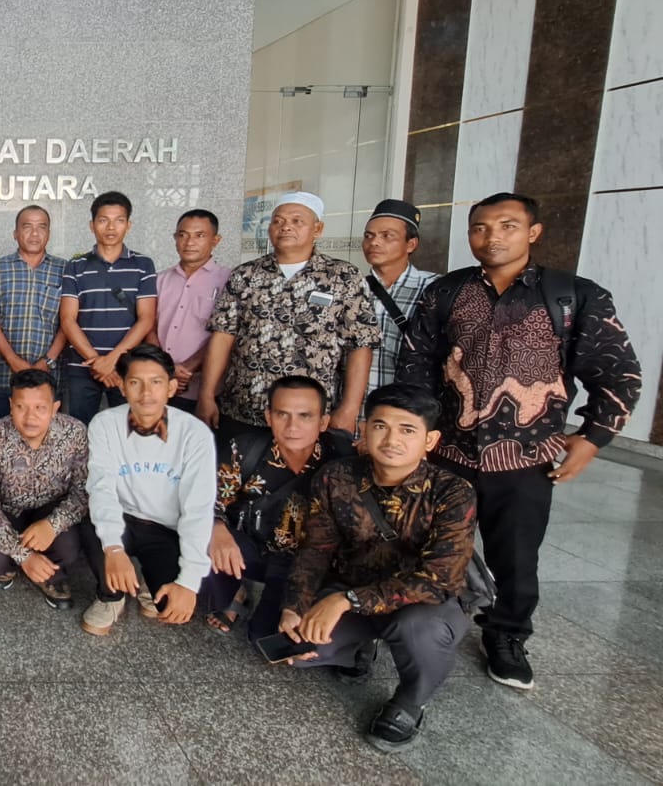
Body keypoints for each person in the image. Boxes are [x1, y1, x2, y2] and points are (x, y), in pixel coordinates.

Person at [398, 192, 641, 690]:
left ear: (533, 232)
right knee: (427, 541)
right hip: (449, 452)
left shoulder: (572, 295)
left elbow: (619, 373)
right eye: (480, 227)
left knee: (515, 553)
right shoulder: (445, 293)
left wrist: (591, 438)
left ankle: (507, 634)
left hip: (527, 456)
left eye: (506, 226)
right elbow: (416, 366)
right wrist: (413, 435)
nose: (491, 237)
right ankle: (415, 620)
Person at [279, 384, 477, 753]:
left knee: (417, 630)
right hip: (354, 589)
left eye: (407, 430)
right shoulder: (336, 477)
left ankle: (409, 702)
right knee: (299, 650)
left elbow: (438, 579)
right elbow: (315, 550)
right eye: (380, 425)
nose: (391, 439)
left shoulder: (452, 492)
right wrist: (296, 604)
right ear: (364, 428)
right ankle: (361, 647)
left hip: (422, 605)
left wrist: (346, 601)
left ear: (430, 440)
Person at [197, 191, 379, 447]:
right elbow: (222, 337)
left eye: (297, 221)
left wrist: (349, 410)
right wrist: (206, 395)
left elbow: (360, 346)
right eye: (278, 221)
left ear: (318, 229)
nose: (285, 227)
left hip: (311, 419)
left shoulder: (344, 277)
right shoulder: (245, 275)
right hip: (244, 410)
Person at [200, 375, 353, 642]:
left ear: (324, 421)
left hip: (302, 566)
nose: (293, 426)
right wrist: (216, 527)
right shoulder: (244, 449)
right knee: (198, 534)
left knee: (266, 637)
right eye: (283, 414)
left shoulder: (343, 461)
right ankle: (234, 591)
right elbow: (206, 499)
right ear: (269, 416)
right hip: (249, 549)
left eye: (305, 416)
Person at [81, 345, 216, 635]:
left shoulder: (195, 435)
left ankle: (144, 578)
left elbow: (198, 508)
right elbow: (102, 487)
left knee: (171, 602)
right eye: (135, 382)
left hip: (166, 527)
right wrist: (114, 548)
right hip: (122, 516)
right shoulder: (104, 424)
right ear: (123, 386)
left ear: (171, 387)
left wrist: (189, 582)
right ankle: (111, 596)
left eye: (156, 382)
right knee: (91, 527)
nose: (146, 393)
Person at [0, 368, 90, 610]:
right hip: (8, 511)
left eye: (40, 408)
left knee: (68, 550)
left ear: (55, 407)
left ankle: (50, 574)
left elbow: (82, 491)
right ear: (11, 405)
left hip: (51, 509)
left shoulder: (75, 433)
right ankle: (17, 567)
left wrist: (52, 525)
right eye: (21, 407)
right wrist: (25, 556)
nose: (30, 417)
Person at [60, 191, 159, 423]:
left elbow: (146, 318)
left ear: (129, 225)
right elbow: (67, 319)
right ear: (92, 225)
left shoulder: (143, 265)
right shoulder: (76, 265)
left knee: (128, 431)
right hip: (82, 368)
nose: (111, 227)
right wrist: (97, 361)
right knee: (78, 432)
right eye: (103, 220)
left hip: (127, 367)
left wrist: (112, 359)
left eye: (119, 220)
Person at [0, 205, 67, 424]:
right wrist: (13, 360)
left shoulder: (65, 270)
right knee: (0, 443)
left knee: (47, 448)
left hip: (49, 378)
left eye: (41, 227)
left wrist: (47, 361)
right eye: (27, 227)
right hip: (5, 376)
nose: (34, 233)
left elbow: (67, 323)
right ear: (15, 233)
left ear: (48, 233)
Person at [154, 209, 230, 414]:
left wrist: (186, 369)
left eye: (199, 235)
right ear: (175, 238)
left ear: (216, 240)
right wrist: (166, 368)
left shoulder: (229, 281)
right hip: (159, 387)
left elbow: (224, 335)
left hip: (204, 391)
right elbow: (148, 327)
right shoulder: (160, 280)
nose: (189, 242)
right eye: (183, 235)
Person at [360, 199, 436, 395]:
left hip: (406, 411)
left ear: (411, 244)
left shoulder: (433, 289)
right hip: (355, 410)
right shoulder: (352, 287)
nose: (374, 242)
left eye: (387, 236)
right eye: (369, 236)